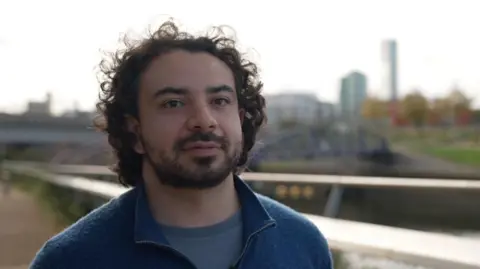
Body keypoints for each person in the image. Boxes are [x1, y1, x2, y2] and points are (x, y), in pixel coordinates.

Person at [30, 19, 333, 269]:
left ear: (240, 119)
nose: (204, 120)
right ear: (134, 132)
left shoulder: (303, 245)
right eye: (173, 103)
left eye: (220, 101)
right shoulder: (71, 260)